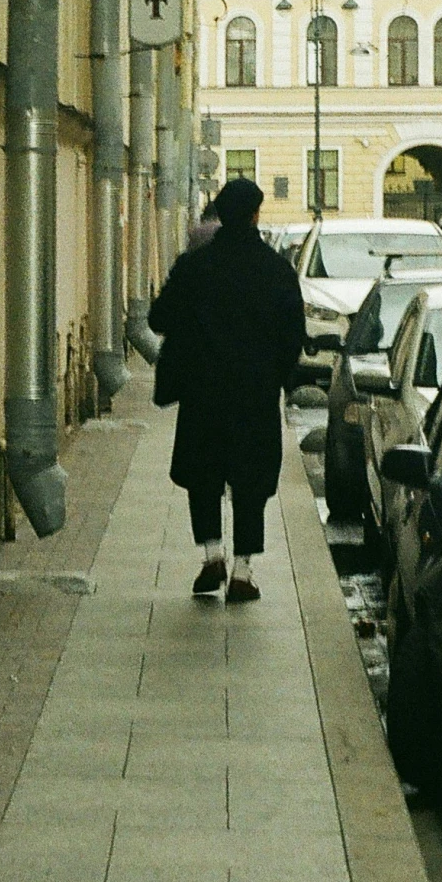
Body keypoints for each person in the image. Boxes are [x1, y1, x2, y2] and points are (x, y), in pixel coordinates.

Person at [148, 176, 304, 603]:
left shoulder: (194, 266)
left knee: (204, 476)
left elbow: (158, 319)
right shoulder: (276, 271)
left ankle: (211, 557)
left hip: (203, 395)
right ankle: (243, 572)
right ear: (255, 215)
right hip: (254, 398)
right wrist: (274, 374)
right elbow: (294, 338)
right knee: (251, 482)